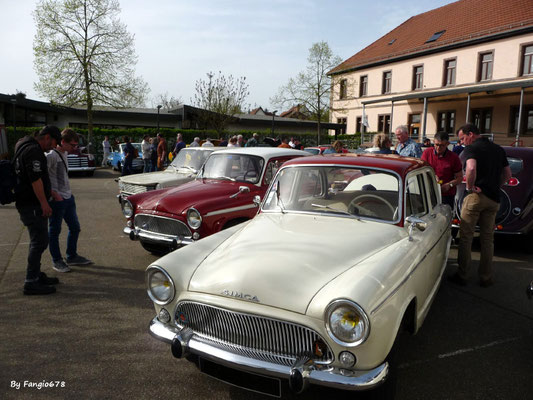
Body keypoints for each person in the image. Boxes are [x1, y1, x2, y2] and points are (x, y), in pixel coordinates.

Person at [449, 123, 512, 288]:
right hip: (494, 199)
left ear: (471, 134)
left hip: (476, 196)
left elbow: (470, 168)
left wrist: (470, 188)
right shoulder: (498, 149)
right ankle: (486, 277)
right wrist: (496, 186)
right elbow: (507, 174)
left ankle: (463, 274)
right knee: (487, 239)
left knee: (466, 237)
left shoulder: (472, 149)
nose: (462, 142)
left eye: (463, 138)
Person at [14, 125, 62, 295]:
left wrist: (51, 192)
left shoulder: (23, 144)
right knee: (39, 241)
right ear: (47, 137)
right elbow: (35, 179)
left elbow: (31, 177)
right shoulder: (33, 151)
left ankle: (35, 274)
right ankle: (31, 281)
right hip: (32, 205)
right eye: (55, 142)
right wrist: (44, 202)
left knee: (39, 240)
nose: (55, 146)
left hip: (27, 202)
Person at [46, 128, 93, 273]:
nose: (74, 148)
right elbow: (41, 177)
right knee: (54, 231)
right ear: (62, 142)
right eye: (72, 145)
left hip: (68, 197)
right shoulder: (51, 155)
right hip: (57, 199)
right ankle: (57, 260)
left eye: (76, 145)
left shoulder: (64, 153)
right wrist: (54, 194)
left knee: (75, 227)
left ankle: (71, 256)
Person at [421, 132, 463, 209]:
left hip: (446, 195)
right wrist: (433, 176)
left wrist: (449, 185)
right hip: (428, 193)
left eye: (442, 145)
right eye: (436, 145)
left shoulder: (454, 158)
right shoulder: (427, 153)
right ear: (433, 142)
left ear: (447, 144)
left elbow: (460, 178)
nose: (438, 148)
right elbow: (422, 170)